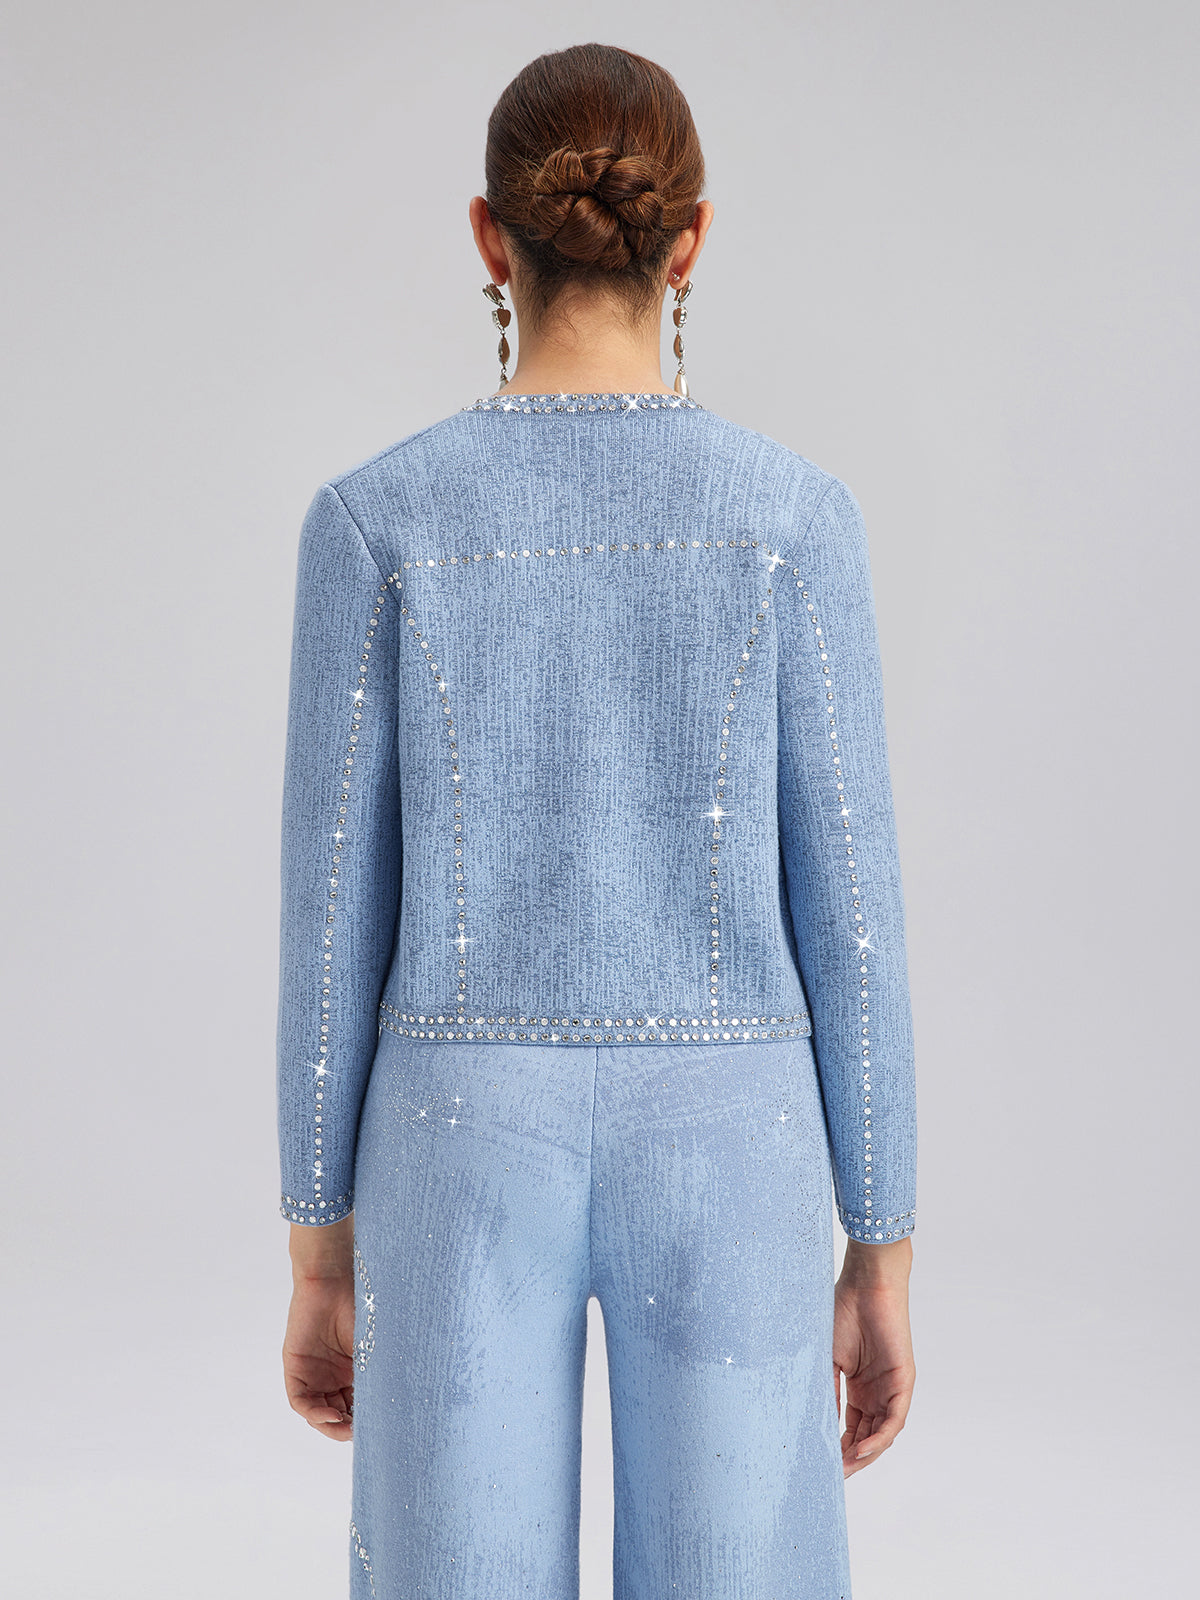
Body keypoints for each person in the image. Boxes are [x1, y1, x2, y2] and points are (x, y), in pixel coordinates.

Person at [276, 40, 917, 1600]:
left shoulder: (375, 521)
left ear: (489, 236)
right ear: (689, 241)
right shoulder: (795, 521)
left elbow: (329, 915)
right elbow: (855, 916)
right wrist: (882, 1245)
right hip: (738, 1129)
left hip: (451, 1127)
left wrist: (318, 1242)